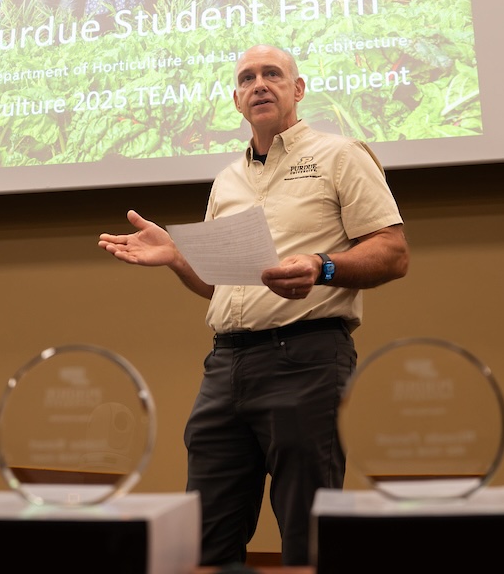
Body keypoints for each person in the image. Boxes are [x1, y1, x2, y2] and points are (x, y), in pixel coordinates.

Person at [97, 44, 409, 567]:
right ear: (237, 100)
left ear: (297, 89)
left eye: (272, 74)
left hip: (307, 359)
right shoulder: (227, 180)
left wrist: (321, 266)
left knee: (307, 537)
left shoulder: (340, 155)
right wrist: (177, 257)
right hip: (225, 367)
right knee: (207, 537)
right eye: (248, 78)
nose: (259, 83)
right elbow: (221, 287)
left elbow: (393, 253)